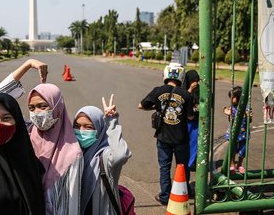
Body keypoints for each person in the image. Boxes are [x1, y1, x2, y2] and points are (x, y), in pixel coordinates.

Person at [0, 59, 84, 215]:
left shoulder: (72, 154)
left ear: (57, 107)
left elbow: (69, 207)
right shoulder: (27, 132)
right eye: (32, 108)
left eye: (43, 106)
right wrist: (27, 65)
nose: (37, 112)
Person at [138, 62, 195, 205]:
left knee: (165, 167)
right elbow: (190, 117)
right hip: (181, 138)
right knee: (182, 166)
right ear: (181, 76)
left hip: (163, 137)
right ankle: (184, 192)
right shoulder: (186, 95)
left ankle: (164, 196)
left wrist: (156, 107)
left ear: (166, 74)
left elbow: (141, 105)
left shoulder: (158, 91)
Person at [74, 95, 132, 214]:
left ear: (100, 129)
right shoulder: (74, 154)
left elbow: (120, 155)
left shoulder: (104, 156)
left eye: (88, 127)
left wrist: (111, 122)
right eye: (77, 126)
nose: (81, 130)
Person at [223, 86, 250, 174]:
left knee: (243, 150)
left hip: (244, 133)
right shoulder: (232, 107)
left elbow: (250, 121)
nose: (231, 99)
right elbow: (230, 120)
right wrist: (229, 114)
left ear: (239, 97)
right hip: (234, 132)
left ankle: (240, 164)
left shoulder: (246, 107)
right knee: (233, 149)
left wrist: (247, 115)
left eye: (233, 97)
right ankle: (232, 165)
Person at [184, 70, 200, 170]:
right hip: (186, 121)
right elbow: (183, 99)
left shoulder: (198, 89)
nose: (195, 83)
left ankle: (191, 163)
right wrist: (190, 89)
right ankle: (186, 162)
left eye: (197, 80)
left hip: (196, 121)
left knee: (194, 142)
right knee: (186, 143)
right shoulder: (184, 89)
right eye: (193, 80)